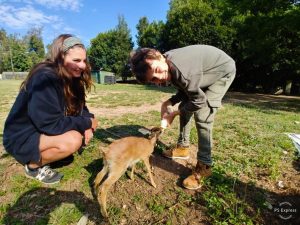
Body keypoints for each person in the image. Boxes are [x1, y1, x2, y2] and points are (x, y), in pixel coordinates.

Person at [130, 45, 236, 190]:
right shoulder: (168, 66)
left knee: (202, 113)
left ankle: (204, 166)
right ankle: (183, 148)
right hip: (201, 74)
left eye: (156, 71)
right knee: (184, 107)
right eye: (153, 79)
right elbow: (185, 89)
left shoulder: (181, 68)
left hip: (222, 71)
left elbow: (199, 100)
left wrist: (173, 114)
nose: (159, 78)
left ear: (159, 55)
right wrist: (168, 102)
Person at [3, 34, 98, 184]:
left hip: (40, 131)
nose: (83, 66)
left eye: (84, 61)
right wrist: (86, 123)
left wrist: (89, 121)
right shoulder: (45, 77)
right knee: (73, 140)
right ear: (60, 57)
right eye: (76, 60)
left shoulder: (71, 77)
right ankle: (32, 167)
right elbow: (50, 124)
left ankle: (48, 154)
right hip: (21, 136)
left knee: (85, 125)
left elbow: (82, 108)